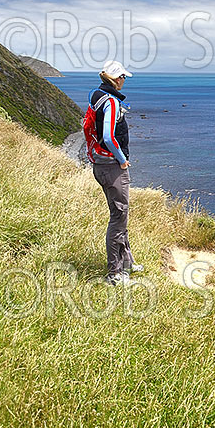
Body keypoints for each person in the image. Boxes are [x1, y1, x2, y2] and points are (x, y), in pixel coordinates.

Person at [87, 60, 143, 285]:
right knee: (118, 218)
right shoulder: (110, 101)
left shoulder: (96, 95)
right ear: (114, 78)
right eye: (122, 77)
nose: (124, 81)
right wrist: (122, 160)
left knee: (120, 215)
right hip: (111, 166)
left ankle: (127, 261)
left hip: (99, 164)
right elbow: (109, 137)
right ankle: (115, 274)